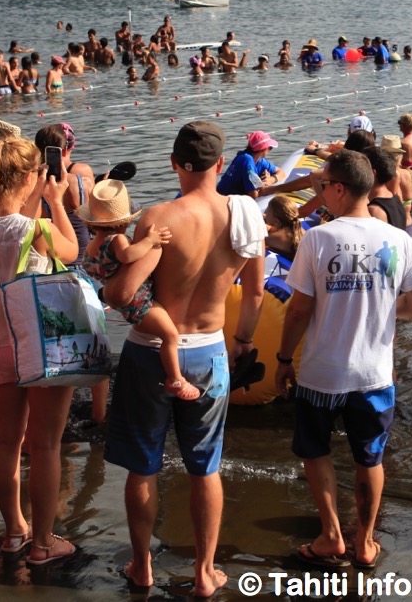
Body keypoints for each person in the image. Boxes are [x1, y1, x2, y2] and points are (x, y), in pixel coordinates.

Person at [102, 122, 266, 595]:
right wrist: (243, 341)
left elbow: (125, 292)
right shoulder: (245, 216)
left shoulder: (159, 217)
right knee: (205, 466)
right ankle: (204, 572)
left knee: (143, 467)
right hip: (211, 348)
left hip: (149, 351)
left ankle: (142, 568)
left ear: (174, 163)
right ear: (220, 166)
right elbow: (254, 291)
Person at [274, 150, 412, 569]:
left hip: (323, 373)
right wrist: (377, 303)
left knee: (315, 450)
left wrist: (284, 359)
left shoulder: (319, 239)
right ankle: (364, 542)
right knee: (370, 457)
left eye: (323, 185)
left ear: (339, 188)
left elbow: (300, 310)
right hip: (375, 374)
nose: (321, 192)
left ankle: (330, 536)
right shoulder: (398, 239)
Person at [0, 136, 80, 564]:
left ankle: (13, 532)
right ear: (31, 176)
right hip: (41, 347)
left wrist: (25, 193)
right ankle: (44, 543)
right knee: (45, 446)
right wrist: (55, 201)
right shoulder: (36, 229)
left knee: (5, 442)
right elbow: (72, 250)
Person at [76, 179, 196, 398]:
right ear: (123, 222)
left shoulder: (92, 245)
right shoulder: (117, 239)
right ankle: (175, 379)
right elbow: (128, 255)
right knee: (170, 334)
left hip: (126, 301)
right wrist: (150, 241)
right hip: (138, 300)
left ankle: (173, 377)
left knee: (166, 329)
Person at [216, 131, 284, 198]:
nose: (269, 151)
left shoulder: (259, 161)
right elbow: (253, 195)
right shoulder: (246, 160)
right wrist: (265, 186)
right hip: (223, 199)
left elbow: (281, 173)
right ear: (264, 149)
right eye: (270, 148)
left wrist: (271, 180)